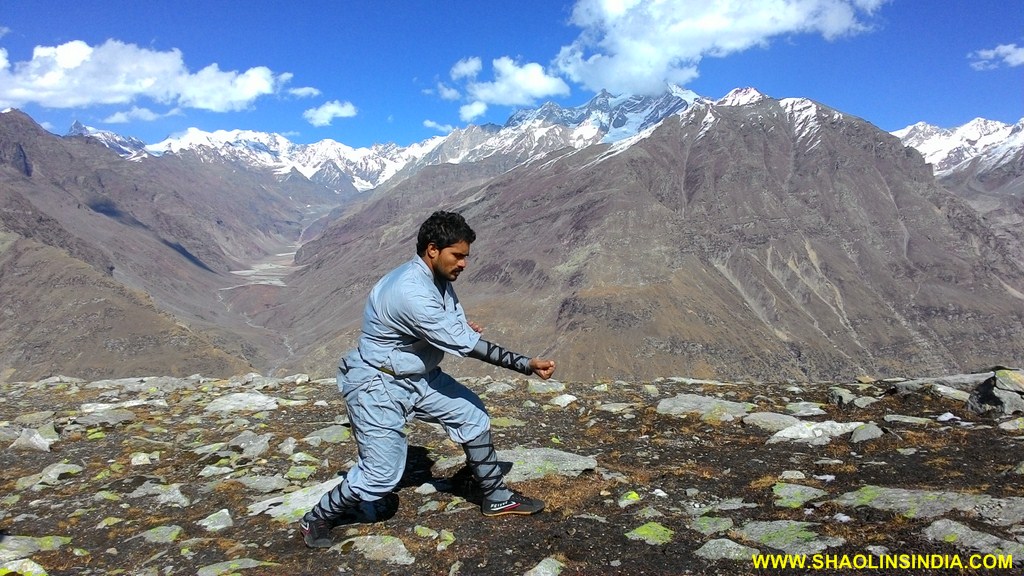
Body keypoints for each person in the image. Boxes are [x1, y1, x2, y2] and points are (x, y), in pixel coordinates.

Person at [300, 210, 557, 549]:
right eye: (459, 255)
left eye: (466, 256)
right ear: (433, 250)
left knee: (472, 415)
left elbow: (451, 327)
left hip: (418, 374)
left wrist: (460, 331)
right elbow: (467, 347)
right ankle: (316, 518)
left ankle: (495, 496)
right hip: (378, 385)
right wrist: (526, 364)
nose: (464, 263)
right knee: (380, 478)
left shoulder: (437, 280)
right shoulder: (411, 291)